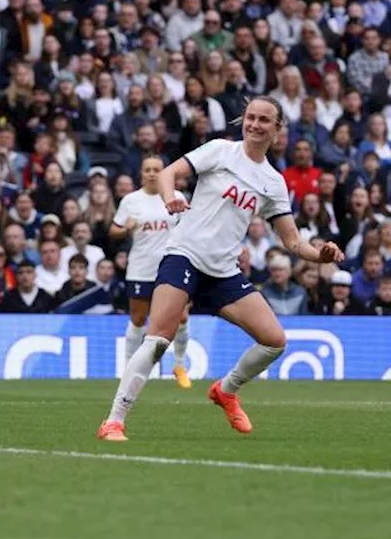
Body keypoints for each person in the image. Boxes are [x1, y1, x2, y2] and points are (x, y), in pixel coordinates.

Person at [98, 98, 344, 442]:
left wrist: (321, 255)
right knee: (157, 340)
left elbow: (292, 241)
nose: (255, 124)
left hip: (222, 271)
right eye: (250, 117)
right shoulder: (219, 150)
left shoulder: (272, 182)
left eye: (264, 120)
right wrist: (170, 196)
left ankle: (226, 391)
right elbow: (170, 173)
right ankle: (114, 420)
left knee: (274, 341)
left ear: (277, 130)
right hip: (183, 255)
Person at [109, 155, 193, 389]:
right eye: (148, 169)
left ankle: (179, 365)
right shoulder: (131, 200)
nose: (152, 173)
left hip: (172, 266)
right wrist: (125, 229)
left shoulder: (176, 197)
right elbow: (113, 230)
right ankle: (127, 368)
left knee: (182, 317)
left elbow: (189, 228)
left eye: (157, 169)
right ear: (141, 174)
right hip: (141, 267)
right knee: (137, 318)